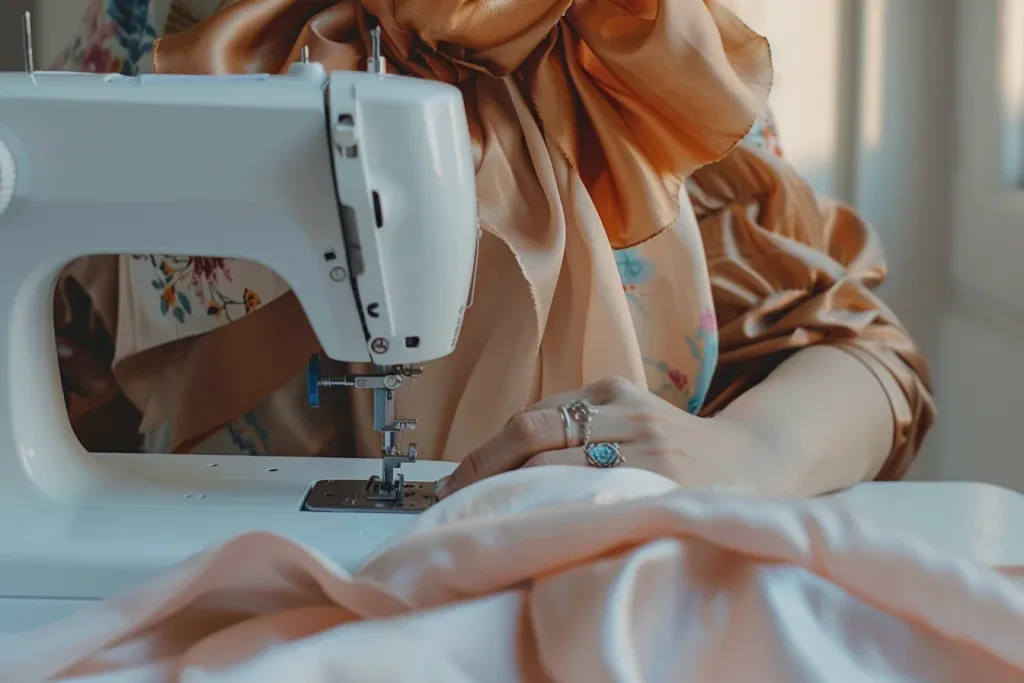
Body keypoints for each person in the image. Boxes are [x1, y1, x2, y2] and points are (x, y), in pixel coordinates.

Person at [52, 0, 934, 500]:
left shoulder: (635, 49)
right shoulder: (174, 35)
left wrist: (752, 454)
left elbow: (858, 349)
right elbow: (52, 339)